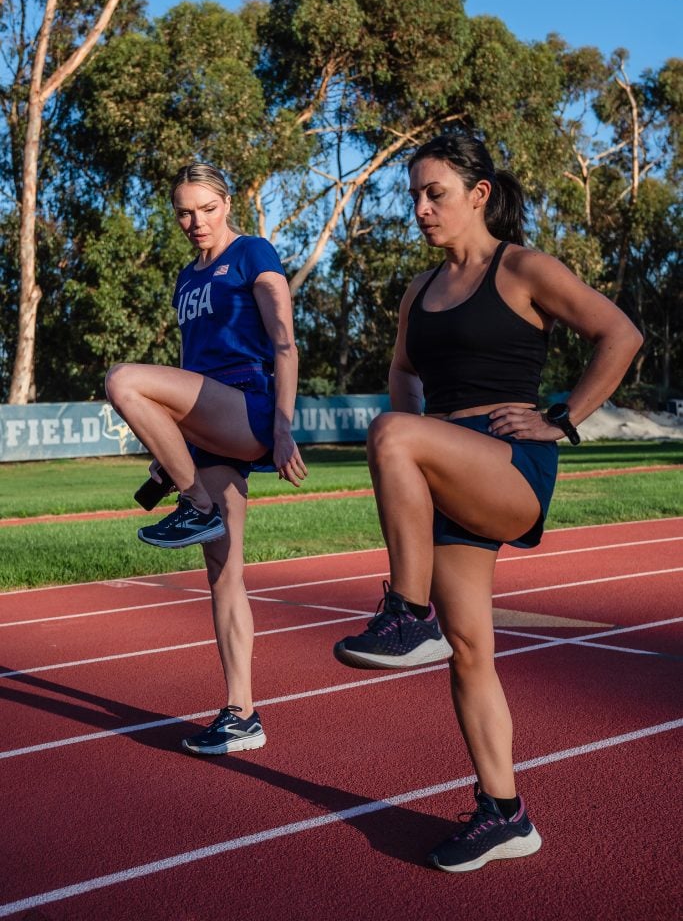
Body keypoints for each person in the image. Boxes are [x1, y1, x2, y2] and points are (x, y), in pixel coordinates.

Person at [333, 133, 642, 872]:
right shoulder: (419, 290)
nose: (419, 208)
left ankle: (406, 614)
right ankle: (503, 814)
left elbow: (618, 334)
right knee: (470, 651)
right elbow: (403, 371)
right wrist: (418, 431)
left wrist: (561, 419)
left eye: (433, 192)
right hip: (445, 473)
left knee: (391, 434)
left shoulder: (523, 267)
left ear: (476, 194)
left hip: (509, 465)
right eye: (411, 195)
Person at [106, 163, 307, 755]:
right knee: (224, 574)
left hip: (246, 405)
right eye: (184, 213)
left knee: (123, 380)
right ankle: (241, 714)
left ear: (226, 203)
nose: (196, 221)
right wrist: (171, 450)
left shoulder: (252, 253)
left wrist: (285, 427)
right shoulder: (184, 280)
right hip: (207, 419)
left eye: (206, 208)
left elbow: (285, 340)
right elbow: (189, 369)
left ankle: (195, 503)